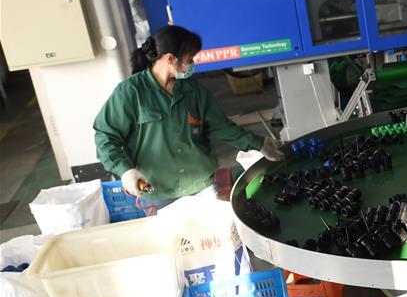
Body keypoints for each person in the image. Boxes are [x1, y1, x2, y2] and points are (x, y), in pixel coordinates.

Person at [94, 25, 282, 202]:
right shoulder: (131, 92)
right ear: (170, 59)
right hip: (158, 191)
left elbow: (221, 127)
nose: (192, 64)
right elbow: (105, 136)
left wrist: (258, 143)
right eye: (189, 59)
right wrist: (125, 171)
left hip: (201, 186)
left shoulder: (194, 91)